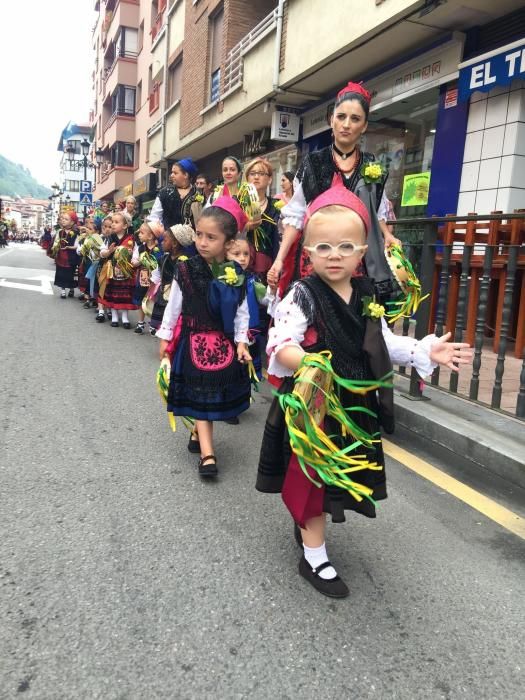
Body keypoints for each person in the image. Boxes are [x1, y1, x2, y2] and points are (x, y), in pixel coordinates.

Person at [256, 186, 472, 598]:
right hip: (315, 406)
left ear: (360, 254)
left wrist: (423, 350)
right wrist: (306, 362)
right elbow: (281, 343)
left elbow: (382, 342)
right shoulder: (301, 294)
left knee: (335, 479)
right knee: (314, 479)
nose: (333, 254)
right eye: (323, 246)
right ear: (308, 253)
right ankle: (314, 556)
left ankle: (308, 530)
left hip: (353, 405)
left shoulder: (368, 295)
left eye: (344, 246)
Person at [267, 81, 400, 301]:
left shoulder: (371, 165)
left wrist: (388, 236)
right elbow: (297, 214)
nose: (346, 124)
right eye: (341, 117)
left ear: (364, 126)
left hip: (357, 259)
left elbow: (377, 211)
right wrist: (280, 259)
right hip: (318, 258)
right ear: (331, 120)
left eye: (355, 119)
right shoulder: (314, 162)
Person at [156, 197, 252, 479]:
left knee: (209, 396)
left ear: (229, 242)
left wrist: (242, 342)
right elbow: (174, 305)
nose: (203, 242)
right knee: (200, 395)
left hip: (222, 343)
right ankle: (208, 455)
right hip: (193, 339)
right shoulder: (184, 268)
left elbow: (242, 311)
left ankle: (199, 433)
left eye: (211, 237)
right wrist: (165, 336)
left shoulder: (236, 273)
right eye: (199, 235)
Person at [149, 223, 195, 333]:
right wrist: (150, 292)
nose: (162, 242)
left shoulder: (186, 261)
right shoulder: (163, 259)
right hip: (163, 296)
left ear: (174, 243)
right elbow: (157, 275)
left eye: (165, 240)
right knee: (161, 326)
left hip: (178, 298)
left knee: (176, 326)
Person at [243, 157, 281, 284]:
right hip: (241, 262)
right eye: (252, 174)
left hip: (269, 266)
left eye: (261, 173)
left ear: (270, 179)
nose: (256, 177)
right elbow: (227, 231)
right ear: (247, 178)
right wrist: (245, 227)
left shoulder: (277, 206)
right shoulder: (238, 203)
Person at [97, 211, 138, 328]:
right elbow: (102, 252)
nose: (113, 225)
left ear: (125, 225)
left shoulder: (131, 239)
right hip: (112, 270)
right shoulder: (109, 238)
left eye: (116, 222)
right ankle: (114, 316)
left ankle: (125, 317)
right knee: (112, 293)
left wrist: (133, 259)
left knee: (125, 294)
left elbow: (136, 252)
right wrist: (109, 251)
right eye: (112, 222)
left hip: (125, 271)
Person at [148, 158, 203, 236]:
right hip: (168, 241)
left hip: (192, 242)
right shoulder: (165, 192)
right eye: (172, 172)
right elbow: (154, 217)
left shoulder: (198, 194)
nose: (171, 175)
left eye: (175, 173)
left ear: (185, 175)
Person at [131, 222, 163, 334]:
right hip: (142, 277)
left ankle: (153, 324)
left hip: (156, 279)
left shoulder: (159, 248)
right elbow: (134, 261)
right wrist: (139, 261)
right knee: (140, 299)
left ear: (150, 236)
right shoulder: (140, 248)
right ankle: (140, 322)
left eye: (142, 232)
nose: (139, 234)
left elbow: (162, 263)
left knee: (153, 300)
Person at [51, 212, 79, 299]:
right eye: (62, 218)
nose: (63, 220)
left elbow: (77, 245)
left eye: (66, 219)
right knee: (61, 273)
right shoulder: (60, 232)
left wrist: (69, 247)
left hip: (71, 257)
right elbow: (56, 243)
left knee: (71, 273)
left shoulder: (76, 233)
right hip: (61, 256)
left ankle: (71, 289)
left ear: (72, 222)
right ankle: (63, 290)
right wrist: (55, 249)